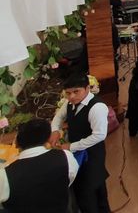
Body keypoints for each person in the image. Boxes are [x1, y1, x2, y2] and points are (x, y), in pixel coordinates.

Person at [50, 74, 110, 213]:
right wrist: (55, 130)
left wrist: (71, 146)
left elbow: (99, 135)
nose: (71, 96)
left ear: (87, 88)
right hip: (77, 152)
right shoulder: (69, 103)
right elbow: (58, 117)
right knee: (91, 187)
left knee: (89, 189)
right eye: (68, 93)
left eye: (76, 92)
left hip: (92, 153)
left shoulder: (97, 107)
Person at [0, 119, 78, 213]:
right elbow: (68, 179)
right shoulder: (66, 157)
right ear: (47, 139)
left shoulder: (5, 174)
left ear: (16, 143)